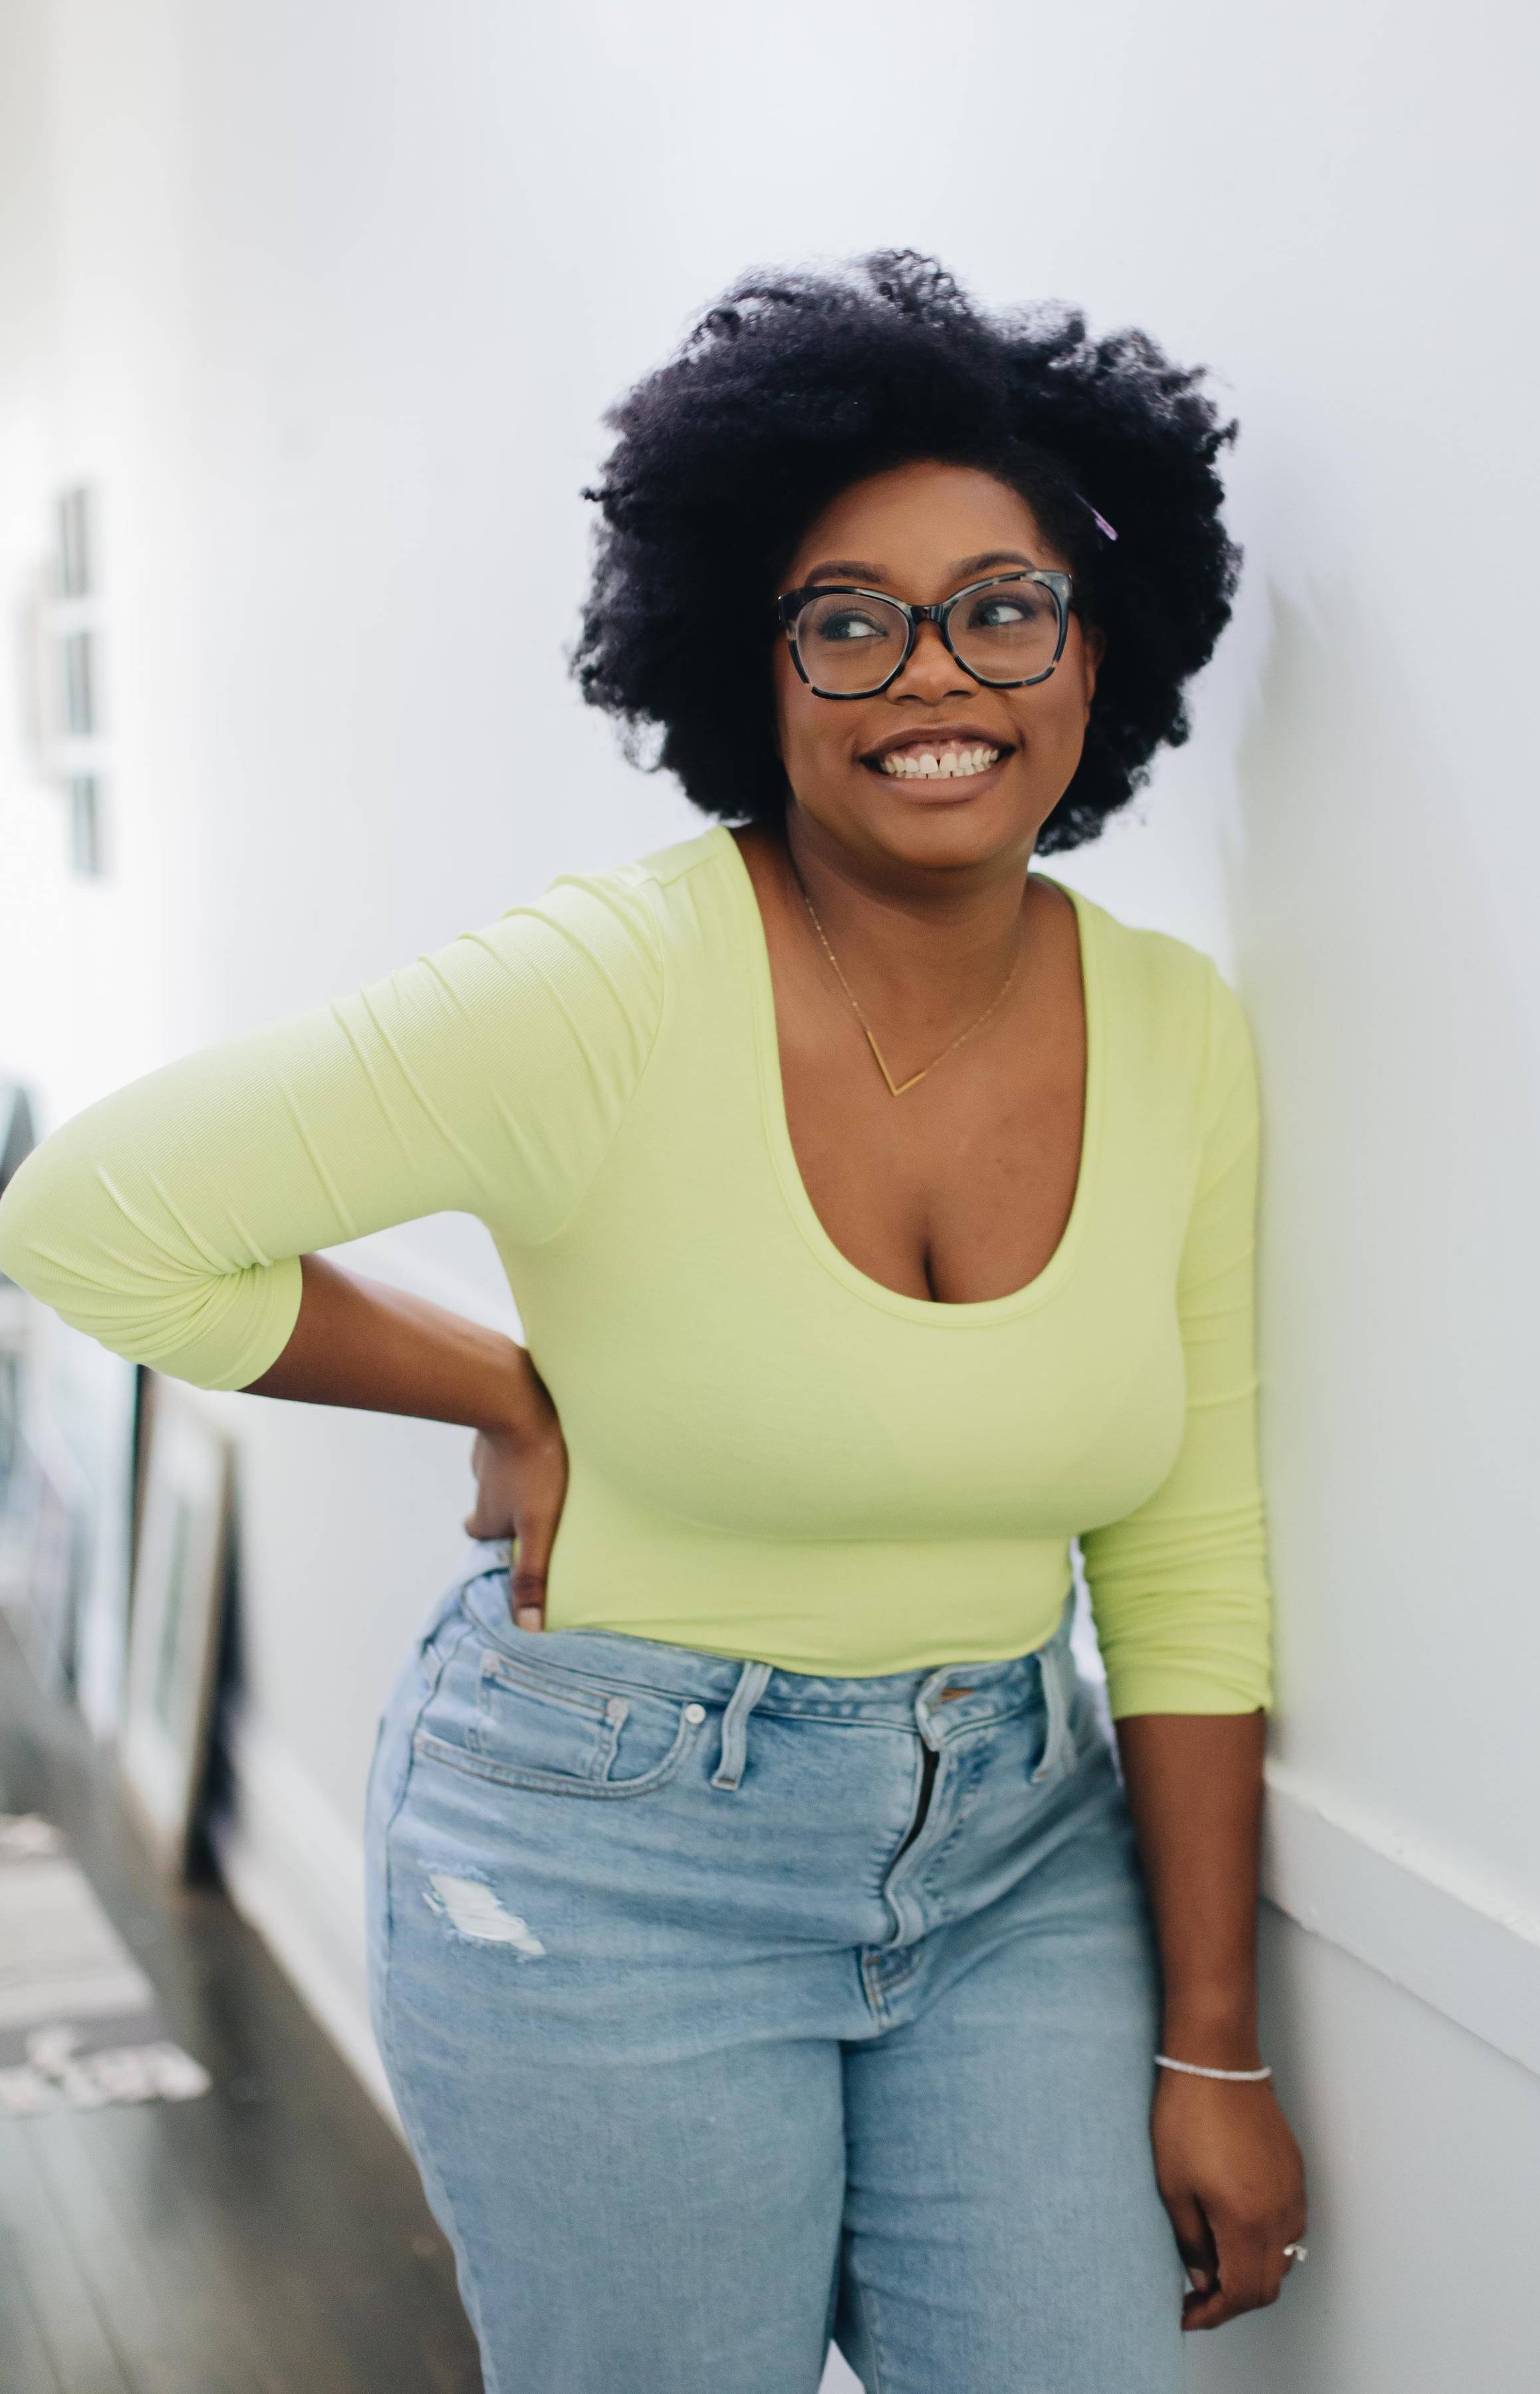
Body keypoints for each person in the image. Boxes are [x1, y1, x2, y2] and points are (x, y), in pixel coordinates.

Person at [0, 251, 1306, 2392]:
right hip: (606, 1858)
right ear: (750, 667)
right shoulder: (608, 985)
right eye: (847, 622)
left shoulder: (1179, 1032)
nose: (931, 674)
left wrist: (1217, 2049)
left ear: (1097, 648)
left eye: (1001, 604)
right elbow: (91, 1218)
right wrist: (501, 1382)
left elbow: (1189, 1556)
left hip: (1015, 1847)